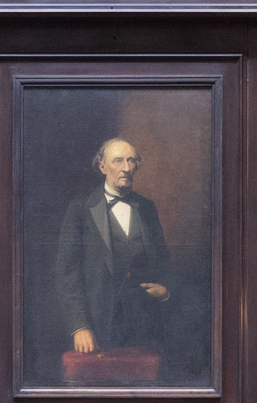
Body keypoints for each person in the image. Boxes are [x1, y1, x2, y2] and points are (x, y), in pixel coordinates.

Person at [55, 138, 173, 356]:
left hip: (144, 328)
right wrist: (79, 326)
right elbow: (67, 273)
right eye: (118, 161)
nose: (126, 168)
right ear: (102, 166)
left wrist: (166, 291)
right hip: (98, 329)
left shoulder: (147, 207)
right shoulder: (80, 208)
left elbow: (164, 260)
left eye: (131, 161)